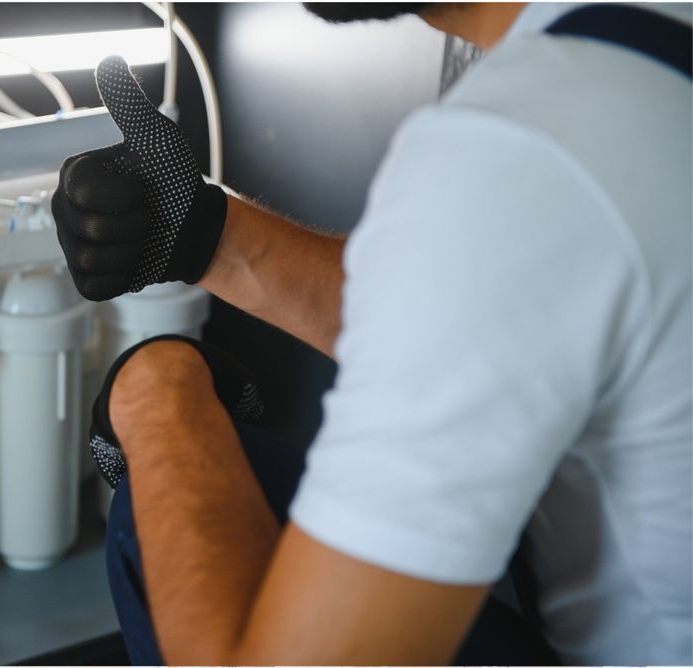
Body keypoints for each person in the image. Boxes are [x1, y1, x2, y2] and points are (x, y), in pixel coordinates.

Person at [51, 3, 692, 665]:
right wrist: (207, 234)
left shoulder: (526, 143)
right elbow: (482, 317)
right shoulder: (632, 71)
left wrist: (157, 393)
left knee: (157, 504)